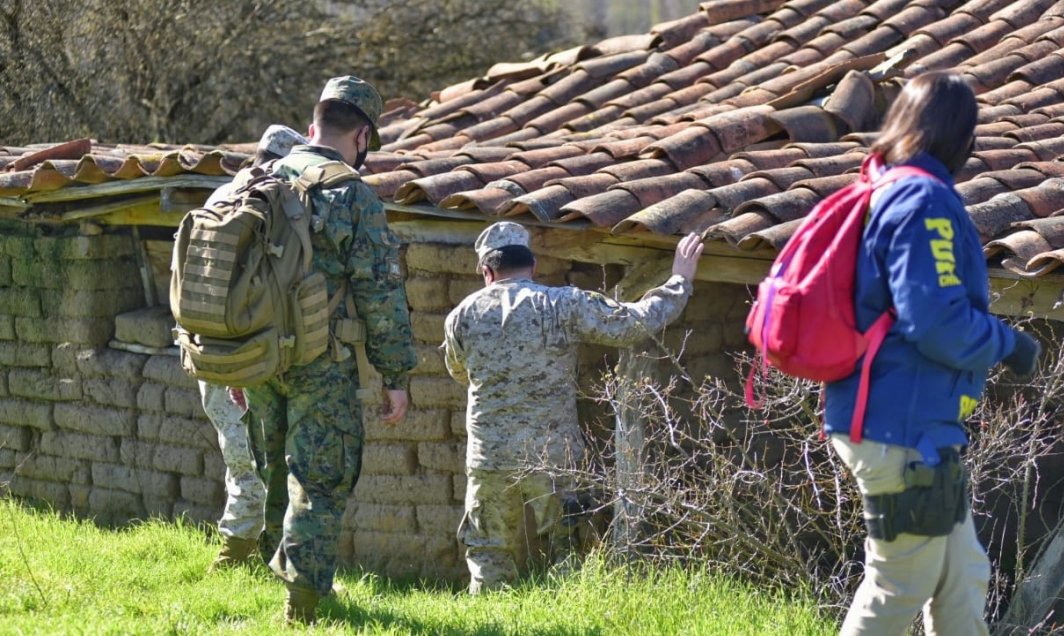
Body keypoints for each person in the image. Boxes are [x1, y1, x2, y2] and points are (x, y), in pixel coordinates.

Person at [823, 71, 1041, 635]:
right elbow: (935, 319)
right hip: (899, 427)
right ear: (958, 138)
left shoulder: (890, 186)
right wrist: (1007, 342)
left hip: (918, 426)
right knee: (902, 582)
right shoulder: (924, 201)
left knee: (961, 575)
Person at [442, 222, 705, 593]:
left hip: (490, 456)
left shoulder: (461, 316)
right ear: (532, 265)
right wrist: (679, 281)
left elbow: (459, 372)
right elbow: (633, 324)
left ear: (487, 272)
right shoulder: (562, 303)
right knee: (569, 552)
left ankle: (487, 621)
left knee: (488, 553)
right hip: (553, 454)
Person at [243, 76, 417, 624]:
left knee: (275, 467)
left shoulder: (261, 175)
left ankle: (293, 580)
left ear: (313, 120)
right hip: (322, 362)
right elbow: (381, 294)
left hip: (260, 356)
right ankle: (304, 604)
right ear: (362, 135)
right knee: (320, 476)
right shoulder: (351, 194)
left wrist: (234, 354)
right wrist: (395, 376)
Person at [201, 124, 308, 570]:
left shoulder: (219, 198)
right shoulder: (266, 206)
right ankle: (235, 555)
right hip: (248, 353)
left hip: (209, 347)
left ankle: (256, 555)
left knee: (240, 453)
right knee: (254, 462)